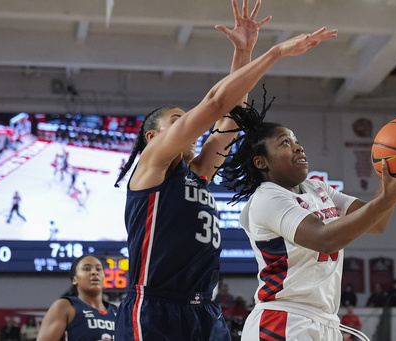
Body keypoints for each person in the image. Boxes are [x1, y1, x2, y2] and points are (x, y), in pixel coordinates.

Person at [111, 0, 338, 339]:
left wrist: (243, 53)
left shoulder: (198, 172)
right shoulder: (152, 164)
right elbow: (216, 103)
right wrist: (275, 53)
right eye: (177, 121)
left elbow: (231, 116)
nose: (187, 125)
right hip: (156, 307)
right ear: (153, 136)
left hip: (205, 308)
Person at [218, 96, 396, 340]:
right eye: (285, 143)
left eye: (297, 142)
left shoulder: (317, 188)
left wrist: (392, 184)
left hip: (324, 321)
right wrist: (388, 198)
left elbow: (377, 223)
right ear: (261, 162)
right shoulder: (267, 198)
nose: (298, 147)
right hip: (283, 321)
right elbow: (324, 239)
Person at [36, 255, 118, 341]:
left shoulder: (118, 311)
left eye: (98, 269)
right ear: (74, 279)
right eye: (87, 269)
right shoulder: (65, 305)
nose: (94, 272)